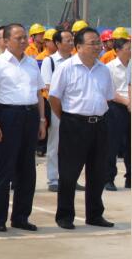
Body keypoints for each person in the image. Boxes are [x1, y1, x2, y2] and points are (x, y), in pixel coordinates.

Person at [48, 27, 116, 229]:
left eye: (98, 43)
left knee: (97, 172)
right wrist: (68, 118)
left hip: (100, 124)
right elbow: (54, 98)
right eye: (93, 43)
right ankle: (65, 216)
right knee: (69, 173)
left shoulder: (104, 70)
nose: (98, 46)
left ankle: (95, 214)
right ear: (78, 47)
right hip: (74, 124)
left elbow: (108, 97)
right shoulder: (66, 68)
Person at [0, 22, 45, 232]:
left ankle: (21, 217)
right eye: (18, 38)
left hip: (30, 115)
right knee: (4, 168)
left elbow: (39, 93)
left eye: (24, 37)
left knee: (27, 170)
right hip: (7, 115)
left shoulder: (32, 63)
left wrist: (42, 120)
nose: (23, 41)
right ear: (6, 41)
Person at [42, 28, 76, 191]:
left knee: (72, 145)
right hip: (57, 107)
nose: (71, 43)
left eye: (72, 40)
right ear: (57, 43)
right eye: (68, 40)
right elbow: (48, 87)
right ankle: (53, 178)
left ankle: (70, 177)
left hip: (74, 108)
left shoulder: (76, 60)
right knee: (55, 143)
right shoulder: (50, 61)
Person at [105, 35, 130, 191]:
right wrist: (127, 102)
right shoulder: (110, 67)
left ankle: (130, 177)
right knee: (112, 144)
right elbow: (110, 92)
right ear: (118, 50)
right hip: (116, 108)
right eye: (128, 49)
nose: (130, 51)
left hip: (130, 106)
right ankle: (108, 178)